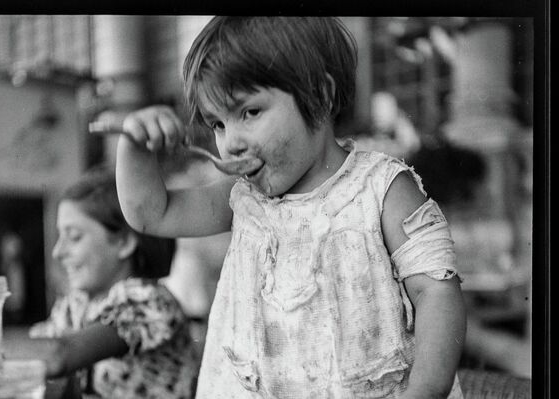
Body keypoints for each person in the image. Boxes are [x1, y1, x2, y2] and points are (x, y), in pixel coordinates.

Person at [115, 17, 466, 398]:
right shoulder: (243, 199)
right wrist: (134, 148)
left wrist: (426, 390)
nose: (230, 142)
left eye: (248, 112)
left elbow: (436, 292)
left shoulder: (380, 190)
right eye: (217, 124)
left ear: (320, 95)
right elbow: (151, 213)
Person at [29, 166, 198, 398]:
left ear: (124, 242)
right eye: (60, 236)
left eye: (74, 236)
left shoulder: (150, 302)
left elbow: (57, 356)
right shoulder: (75, 305)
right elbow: (37, 351)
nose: (58, 252)